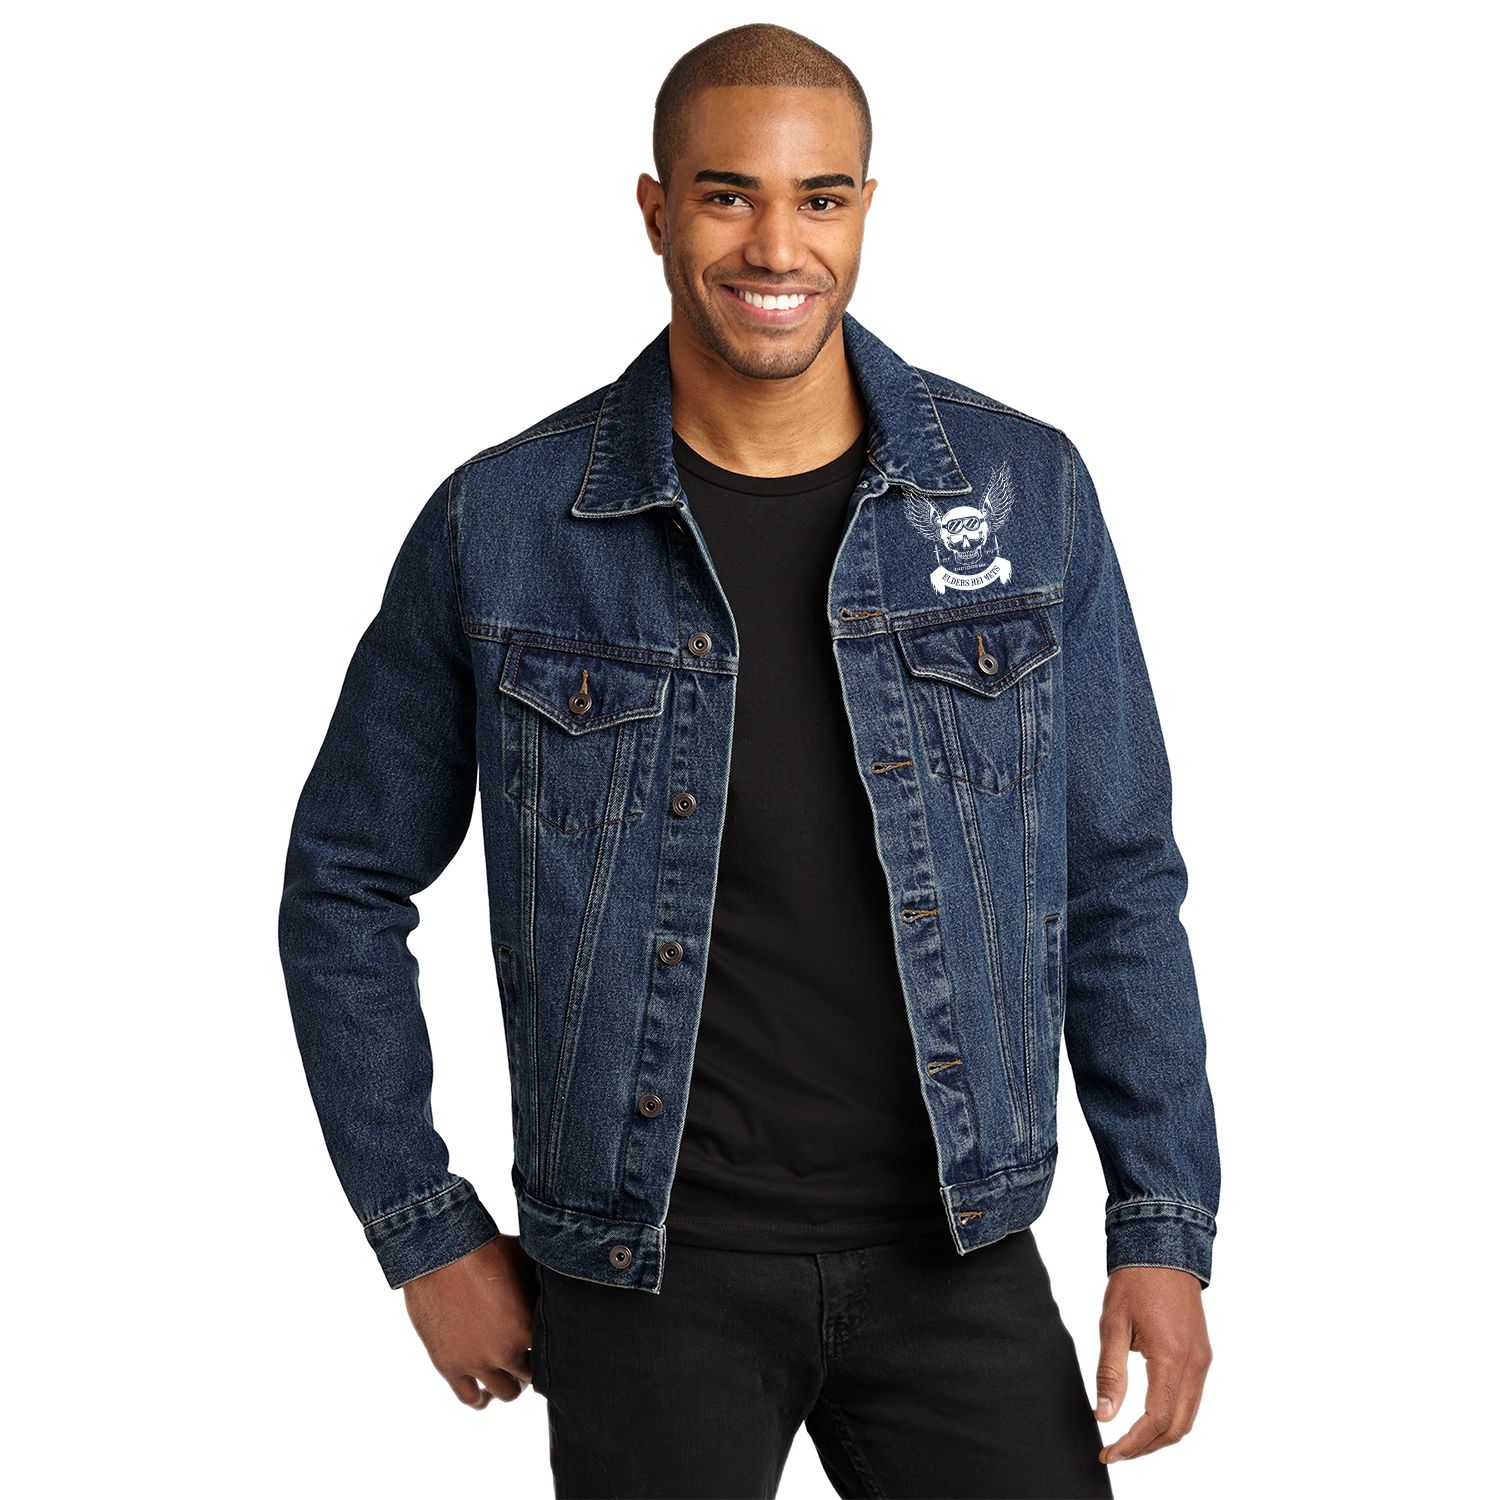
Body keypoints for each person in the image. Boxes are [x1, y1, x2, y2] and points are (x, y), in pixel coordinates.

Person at [279, 21, 1219, 1498]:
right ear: (655, 210)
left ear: (866, 209)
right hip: (645, 1275)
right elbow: (342, 881)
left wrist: (1161, 1225)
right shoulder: (505, 525)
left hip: (959, 1252)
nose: (777, 246)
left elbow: (1117, 881)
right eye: (728, 196)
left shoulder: (1023, 492)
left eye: (819, 198)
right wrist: (422, 1230)